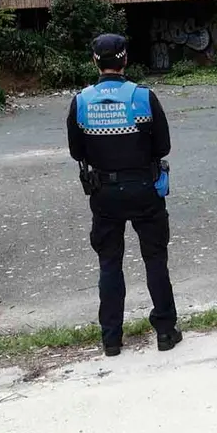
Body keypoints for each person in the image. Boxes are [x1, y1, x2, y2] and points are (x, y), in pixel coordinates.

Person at [67, 33, 182, 357]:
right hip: (145, 189)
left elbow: (77, 151)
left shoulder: (81, 102)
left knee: (109, 263)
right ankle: (165, 331)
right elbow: (163, 147)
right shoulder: (144, 97)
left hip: (104, 194)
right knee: (155, 260)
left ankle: (112, 339)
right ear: (125, 60)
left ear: (95, 61)